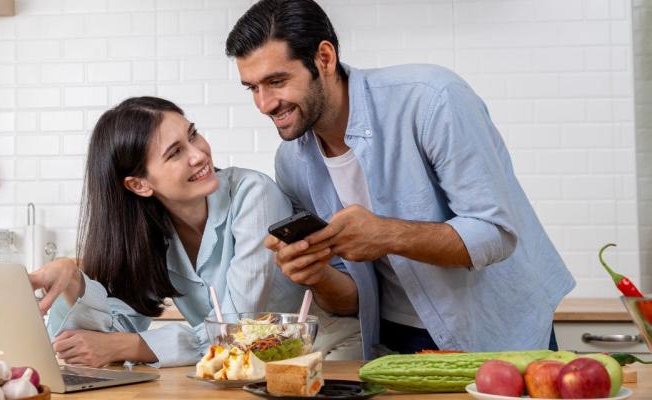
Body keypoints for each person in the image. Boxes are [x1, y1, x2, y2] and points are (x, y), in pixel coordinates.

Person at [225, 0, 576, 359]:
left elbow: (495, 234)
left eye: (277, 81)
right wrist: (315, 274)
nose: (265, 104)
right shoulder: (291, 162)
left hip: (495, 329)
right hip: (395, 340)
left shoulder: (432, 99)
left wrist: (385, 234)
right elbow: (352, 300)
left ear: (325, 59)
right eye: (252, 88)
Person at [28, 96, 307, 367]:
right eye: (175, 152)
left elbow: (233, 330)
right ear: (139, 185)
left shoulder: (254, 194)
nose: (199, 155)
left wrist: (127, 346)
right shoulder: (147, 232)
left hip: (307, 361)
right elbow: (109, 334)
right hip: (232, 374)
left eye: (193, 135)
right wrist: (74, 281)